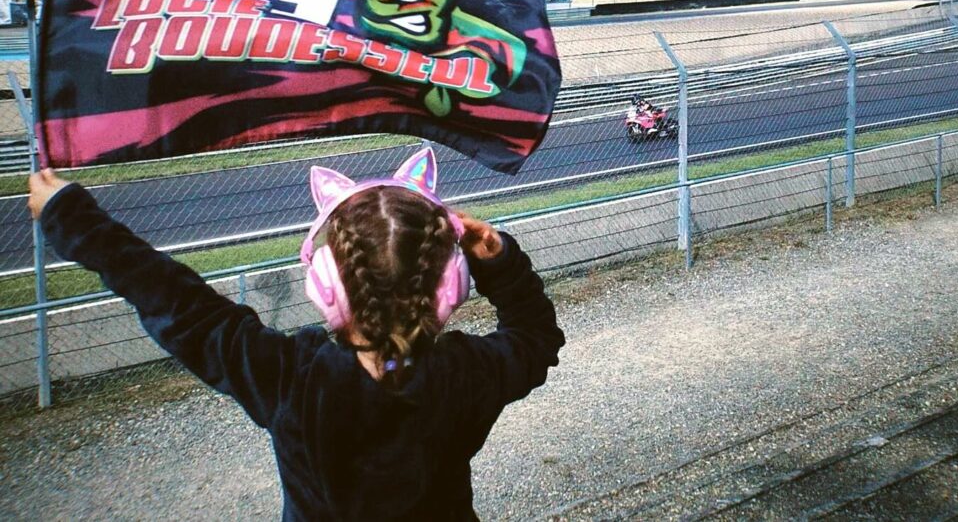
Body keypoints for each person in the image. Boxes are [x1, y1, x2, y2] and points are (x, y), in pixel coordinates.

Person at [27, 147, 564, 521]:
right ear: (451, 286)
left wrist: (70, 219)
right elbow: (537, 337)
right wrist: (498, 259)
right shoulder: (470, 373)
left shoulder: (290, 379)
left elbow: (178, 304)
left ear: (326, 285)